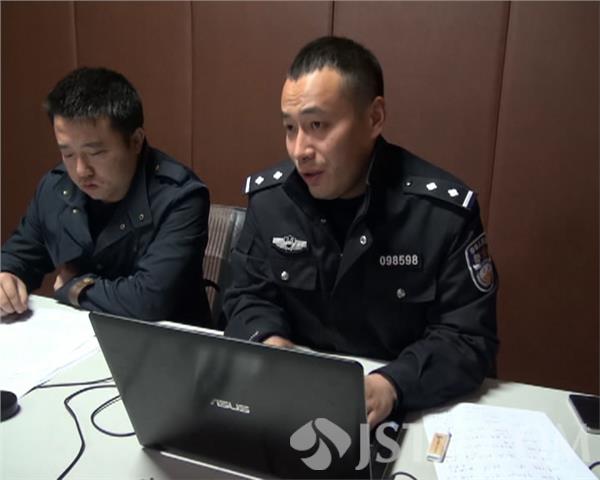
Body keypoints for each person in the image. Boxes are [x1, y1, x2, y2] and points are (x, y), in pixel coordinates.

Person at [223, 36, 498, 427]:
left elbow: (467, 337)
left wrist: (392, 384)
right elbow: (246, 296)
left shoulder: (441, 214)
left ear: (374, 119)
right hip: (292, 401)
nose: (299, 150)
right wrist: (271, 345)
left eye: (317, 125)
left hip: (404, 408)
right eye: (290, 128)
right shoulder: (272, 201)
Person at [1, 67, 211, 325]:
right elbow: (21, 253)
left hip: (164, 342)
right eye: (67, 154)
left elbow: (149, 301)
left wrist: (75, 287)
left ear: (136, 141)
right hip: (78, 335)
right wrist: (7, 274)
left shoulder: (180, 197)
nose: (81, 171)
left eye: (96, 153)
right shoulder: (56, 187)